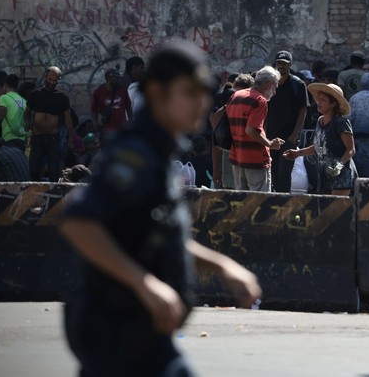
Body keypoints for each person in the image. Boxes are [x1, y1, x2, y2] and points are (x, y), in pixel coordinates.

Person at [60, 40, 262, 376]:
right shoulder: (136, 152)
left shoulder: (160, 150)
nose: (201, 103)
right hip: (116, 328)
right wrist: (145, 284)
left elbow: (158, 234)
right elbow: (78, 220)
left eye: (204, 92)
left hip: (145, 335)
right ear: (156, 92)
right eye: (189, 92)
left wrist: (222, 265)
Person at [283, 82, 357, 196]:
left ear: (333, 104)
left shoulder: (341, 122)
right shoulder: (320, 121)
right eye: (319, 99)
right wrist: (298, 153)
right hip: (323, 175)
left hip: (341, 175)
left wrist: (339, 165)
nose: (318, 103)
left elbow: (351, 150)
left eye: (323, 100)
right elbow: (318, 146)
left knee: (336, 209)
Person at [226, 67, 284, 192]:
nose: (275, 91)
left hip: (237, 158)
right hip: (256, 160)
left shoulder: (236, 95)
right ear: (268, 84)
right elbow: (251, 130)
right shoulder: (260, 101)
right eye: (275, 87)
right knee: (260, 203)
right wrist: (270, 144)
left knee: (240, 202)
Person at [265, 51, 309, 193]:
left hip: (288, 139)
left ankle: (282, 208)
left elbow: (303, 111)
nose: (281, 66)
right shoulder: (270, 84)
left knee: (284, 177)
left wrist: (294, 135)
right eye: (279, 63)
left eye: (284, 63)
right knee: (271, 175)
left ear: (290, 64)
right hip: (270, 138)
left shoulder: (298, 84)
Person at [26, 67, 76, 182]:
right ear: (45, 76)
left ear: (59, 80)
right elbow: (27, 112)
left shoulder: (62, 98)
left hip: (53, 138)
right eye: (49, 79)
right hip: (37, 137)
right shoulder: (35, 94)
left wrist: (71, 140)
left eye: (55, 80)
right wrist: (27, 123)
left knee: (54, 170)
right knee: (34, 169)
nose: (51, 82)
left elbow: (68, 120)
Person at [0, 74, 27, 151]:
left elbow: (0, 117)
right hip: (22, 139)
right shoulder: (24, 101)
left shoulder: (4, 97)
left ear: (5, 85)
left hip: (9, 138)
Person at [91, 68, 132, 135]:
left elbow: (129, 107)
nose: (119, 80)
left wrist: (130, 121)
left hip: (122, 129)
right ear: (109, 78)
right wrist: (95, 123)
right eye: (116, 78)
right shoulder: (98, 92)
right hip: (107, 130)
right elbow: (93, 110)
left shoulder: (123, 91)